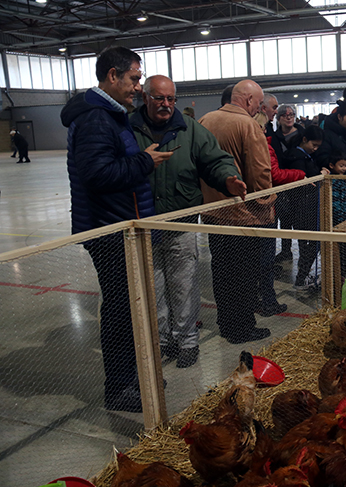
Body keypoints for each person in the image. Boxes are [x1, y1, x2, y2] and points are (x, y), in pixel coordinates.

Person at [60, 46, 174, 412]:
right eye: (134, 79)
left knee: (131, 307)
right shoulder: (96, 118)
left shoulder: (109, 115)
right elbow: (98, 175)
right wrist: (144, 161)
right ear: (112, 75)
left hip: (120, 227)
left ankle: (132, 376)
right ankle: (121, 387)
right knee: (121, 311)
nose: (138, 88)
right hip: (109, 231)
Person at [130, 75, 246, 368]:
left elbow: (215, 160)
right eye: (159, 98)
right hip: (143, 225)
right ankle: (164, 338)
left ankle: (187, 341)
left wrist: (228, 179)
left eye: (171, 99)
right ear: (145, 98)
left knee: (183, 283)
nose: (166, 105)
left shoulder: (190, 129)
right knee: (152, 287)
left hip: (181, 221)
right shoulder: (128, 128)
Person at [198, 79, 275, 344]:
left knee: (221, 273)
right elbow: (260, 174)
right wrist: (268, 202)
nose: (259, 109)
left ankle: (226, 323)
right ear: (250, 100)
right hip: (242, 215)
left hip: (212, 213)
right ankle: (242, 328)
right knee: (244, 275)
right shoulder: (248, 125)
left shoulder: (206, 119)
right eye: (259, 103)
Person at [281, 125, 328, 290]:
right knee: (312, 243)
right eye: (314, 145)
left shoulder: (301, 156)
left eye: (318, 147)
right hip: (303, 208)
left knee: (306, 244)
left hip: (302, 208)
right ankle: (301, 279)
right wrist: (320, 175)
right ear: (304, 139)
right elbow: (304, 183)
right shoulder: (298, 159)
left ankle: (302, 277)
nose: (315, 149)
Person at [272, 104, 305, 263]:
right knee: (284, 219)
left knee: (299, 220)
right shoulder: (274, 137)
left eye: (291, 114)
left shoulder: (302, 135)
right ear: (279, 119)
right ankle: (286, 250)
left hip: (301, 182)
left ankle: (303, 251)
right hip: (284, 182)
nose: (289, 117)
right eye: (285, 115)